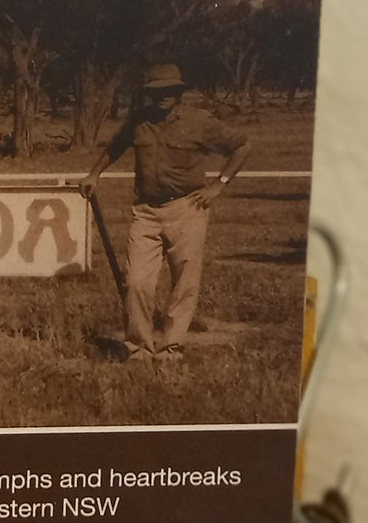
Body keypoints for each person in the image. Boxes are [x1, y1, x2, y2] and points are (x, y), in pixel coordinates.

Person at [79, 63, 250, 362]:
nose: (163, 96)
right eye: (156, 91)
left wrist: (218, 185)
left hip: (187, 209)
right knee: (136, 281)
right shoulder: (139, 121)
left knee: (184, 282)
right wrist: (94, 174)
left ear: (179, 92)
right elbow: (115, 147)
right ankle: (139, 348)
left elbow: (242, 146)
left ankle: (172, 347)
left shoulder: (199, 121)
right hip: (146, 211)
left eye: (169, 90)